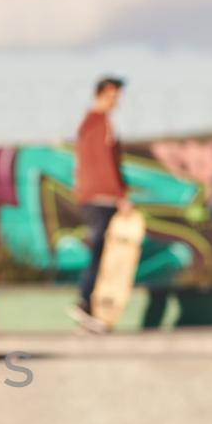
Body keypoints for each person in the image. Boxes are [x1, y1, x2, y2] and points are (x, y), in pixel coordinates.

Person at [70, 75, 133, 332]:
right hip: (102, 197)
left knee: (100, 250)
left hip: (91, 195)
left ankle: (90, 310)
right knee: (102, 252)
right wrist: (120, 196)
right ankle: (85, 302)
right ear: (101, 94)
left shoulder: (86, 124)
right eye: (112, 96)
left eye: (117, 96)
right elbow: (105, 164)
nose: (116, 101)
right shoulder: (101, 124)